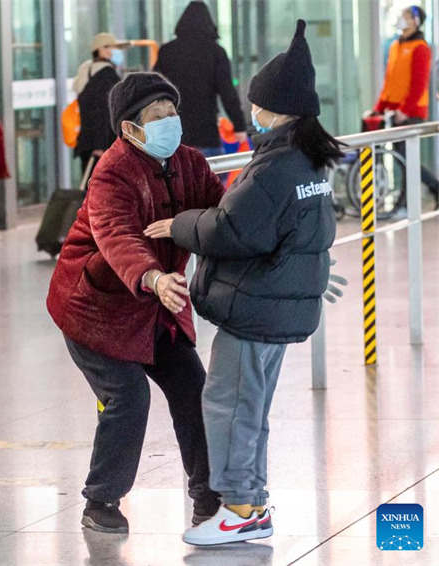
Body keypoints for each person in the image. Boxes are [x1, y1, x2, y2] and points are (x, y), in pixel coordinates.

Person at [147, 21, 341, 546]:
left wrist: (179, 223)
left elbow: (233, 228)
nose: (252, 110)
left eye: (258, 103)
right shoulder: (310, 160)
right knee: (247, 406)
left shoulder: (277, 166)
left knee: (230, 405)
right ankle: (250, 503)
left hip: (255, 305)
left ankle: (237, 509)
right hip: (277, 303)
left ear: (276, 109)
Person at [46, 72, 226, 534]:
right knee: (128, 395)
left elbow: (222, 214)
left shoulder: (189, 162)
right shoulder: (112, 171)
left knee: (192, 388)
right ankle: (100, 501)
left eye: (173, 113)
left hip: (158, 304)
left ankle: (209, 494)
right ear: (130, 129)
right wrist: (152, 276)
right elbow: (117, 236)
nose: (171, 122)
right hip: (96, 309)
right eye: (158, 116)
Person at [153, 1, 248, 159]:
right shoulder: (216, 52)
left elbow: (154, 89)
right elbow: (227, 92)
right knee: (209, 180)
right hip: (206, 132)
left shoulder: (166, 51)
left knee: (174, 181)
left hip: (172, 132)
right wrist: (239, 126)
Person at [369, 5, 439, 208]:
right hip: (395, 111)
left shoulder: (420, 48)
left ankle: (407, 203)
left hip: (411, 112)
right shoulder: (395, 46)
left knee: (407, 159)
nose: (401, 18)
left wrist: (405, 111)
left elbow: (418, 85)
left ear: (415, 22)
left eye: (405, 16)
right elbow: (390, 83)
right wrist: (379, 108)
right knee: (404, 159)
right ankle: (430, 190)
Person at [72, 32, 122, 175]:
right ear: (102, 49)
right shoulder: (106, 75)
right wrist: (100, 145)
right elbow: (102, 112)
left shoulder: (86, 71)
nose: (117, 52)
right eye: (114, 48)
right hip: (102, 145)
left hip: (87, 140)